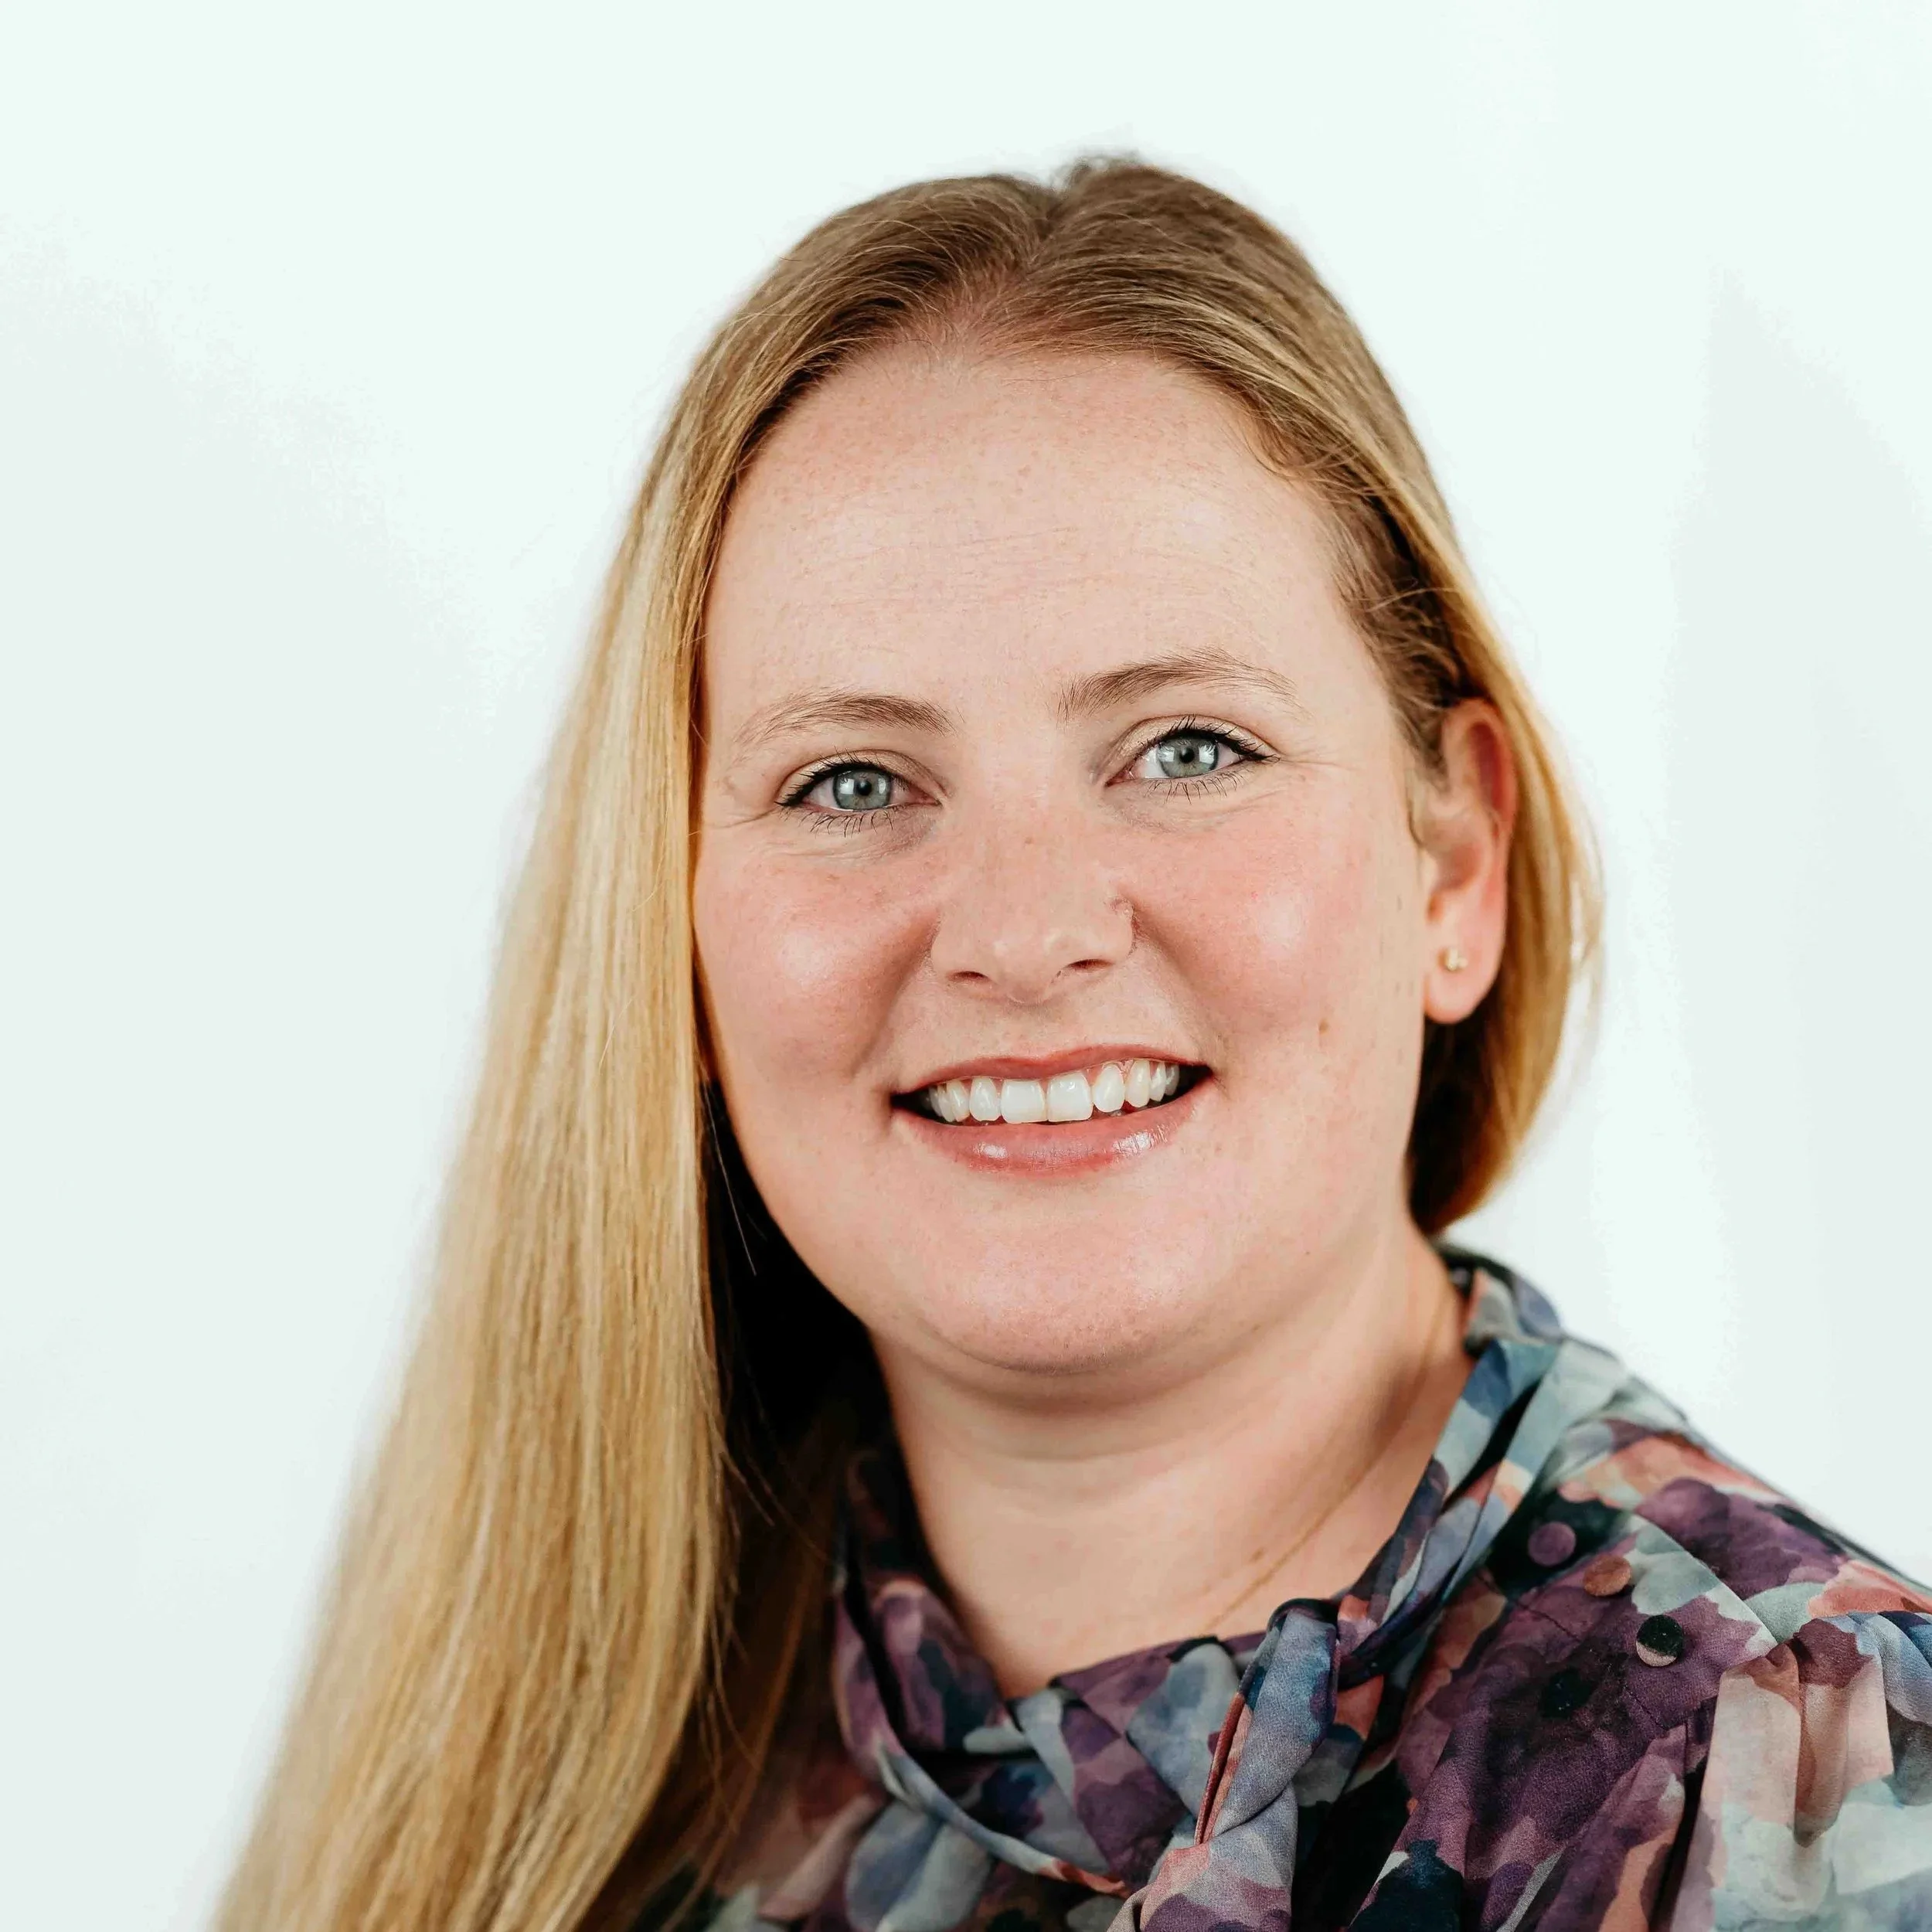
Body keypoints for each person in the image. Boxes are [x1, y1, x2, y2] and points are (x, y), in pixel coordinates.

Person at [222, 162, 1932, 1932]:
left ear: (1453, 863)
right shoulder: (557, 1758)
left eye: (1185, 748)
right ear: (668, 937)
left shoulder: (1805, 1796)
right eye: (852, 781)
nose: (1024, 931)